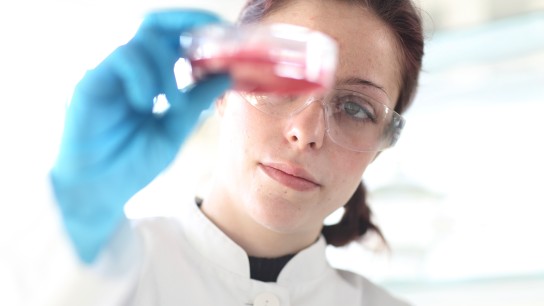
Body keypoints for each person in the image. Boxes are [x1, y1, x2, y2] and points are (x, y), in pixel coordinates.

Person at [49, 0, 424, 304]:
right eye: (282, 79)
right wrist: (69, 212)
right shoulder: (85, 277)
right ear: (223, 90)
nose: (305, 132)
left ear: (378, 147)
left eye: (356, 109)